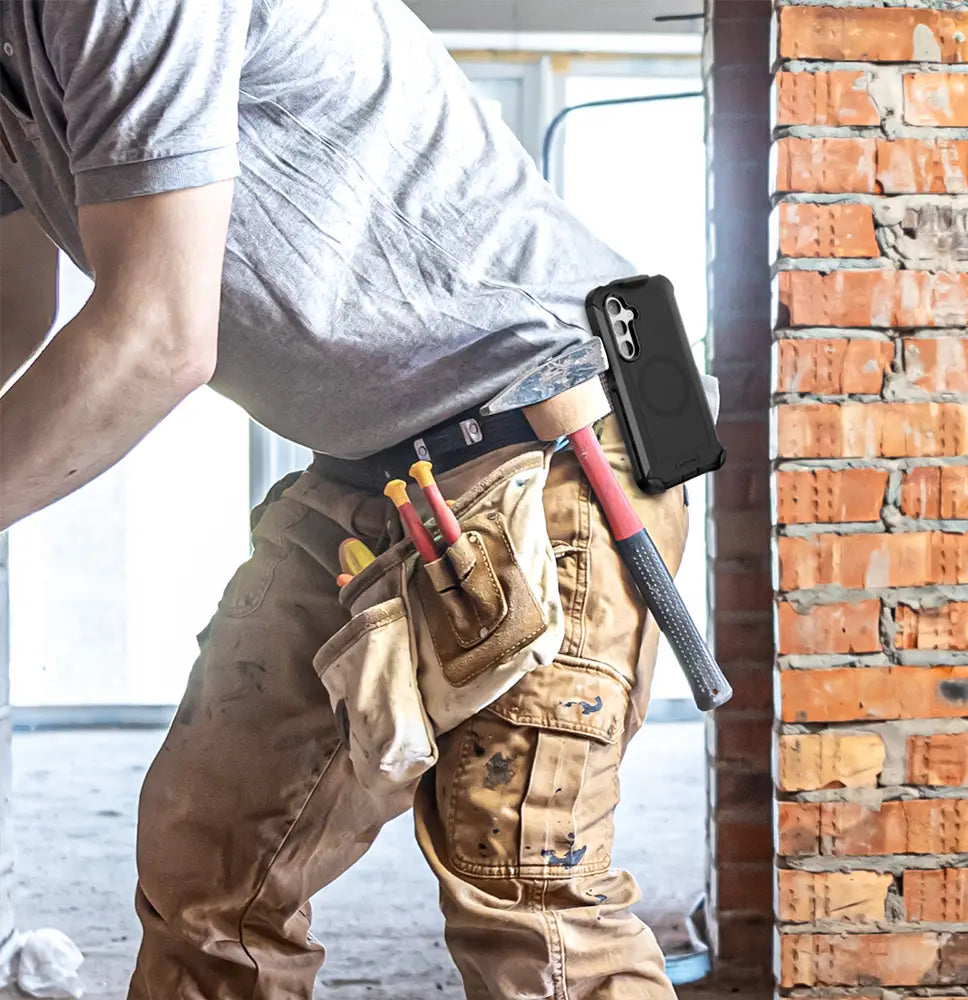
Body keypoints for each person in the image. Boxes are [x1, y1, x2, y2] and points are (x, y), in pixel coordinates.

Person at [0, 1, 691, 996]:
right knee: (210, 866)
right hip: (360, 463)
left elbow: (156, 334)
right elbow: (14, 308)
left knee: (527, 891)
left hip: (544, 424)